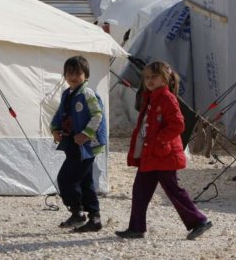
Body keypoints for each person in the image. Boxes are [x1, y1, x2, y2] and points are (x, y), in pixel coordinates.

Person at [116, 61, 212, 240]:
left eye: (154, 77)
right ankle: (136, 227)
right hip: (152, 154)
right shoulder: (150, 97)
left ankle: (199, 221)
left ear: (165, 79)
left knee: (173, 190)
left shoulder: (167, 98)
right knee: (140, 190)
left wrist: (159, 140)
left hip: (164, 154)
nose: (150, 80)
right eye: (147, 77)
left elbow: (178, 124)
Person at [51, 56, 107, 233]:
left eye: (78, 73)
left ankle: (78, 213)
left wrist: (86, 134)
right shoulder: (67, 94)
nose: (73, 77)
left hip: (87, 145)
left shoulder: (87, 94)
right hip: (73, 144)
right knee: (85, 182)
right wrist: (55, 129)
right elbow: (60, 114)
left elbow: (97, 114)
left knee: (66, 179)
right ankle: (94, 218)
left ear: (86, 75)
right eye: (69, 73)